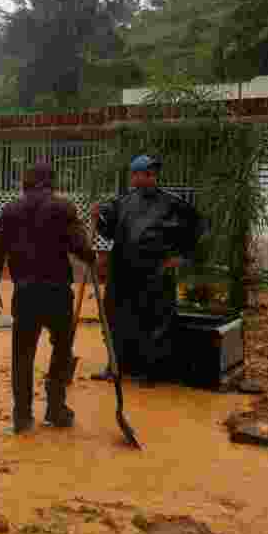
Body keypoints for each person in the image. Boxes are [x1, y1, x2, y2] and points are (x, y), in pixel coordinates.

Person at [0, 161, 96, 434]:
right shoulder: (64, 208)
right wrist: (91, 255)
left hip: (25, 294)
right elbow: (80, 248)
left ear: (26, 182)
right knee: (61, 349)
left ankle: (22, 417)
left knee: (22, 356)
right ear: (51, 182)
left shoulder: (11, 210)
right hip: (57, 293)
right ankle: (56, 409)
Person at [92, 154, 205, 384]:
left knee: (153, 321)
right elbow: (108, 231)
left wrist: (182, 257)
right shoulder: (122, 202)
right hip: (122, 271)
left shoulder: (172, 203)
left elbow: (198, 229)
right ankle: (116, 366)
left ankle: (149, 372)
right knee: (115, 318)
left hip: (154, 271)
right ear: (134, 176)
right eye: (145, 173)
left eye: (153, 173)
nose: (150, 176)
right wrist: (98, 219)